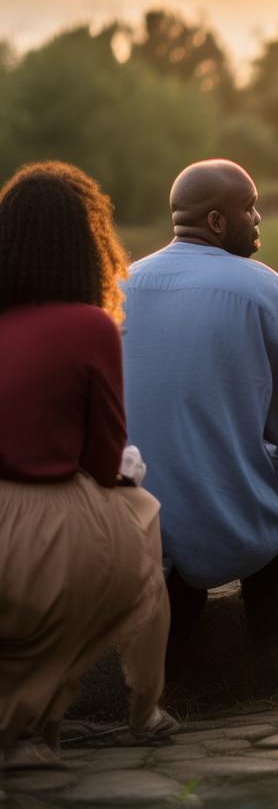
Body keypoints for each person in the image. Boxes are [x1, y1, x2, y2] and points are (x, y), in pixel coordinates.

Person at [121, 159, 278, 668]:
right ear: (216, 222)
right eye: (249, 207)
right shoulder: (269, 291)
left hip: (131, 516)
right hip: (224, 523)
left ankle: (179, 629)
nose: (258, 217)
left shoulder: (120, 283)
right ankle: (270, 641)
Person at [0, 161, 174, 768]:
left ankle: (28, 722)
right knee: (142, 516)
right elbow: (105, 461)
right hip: (37, 520)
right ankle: (143, 706)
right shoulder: (89, 327)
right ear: (85, 244)